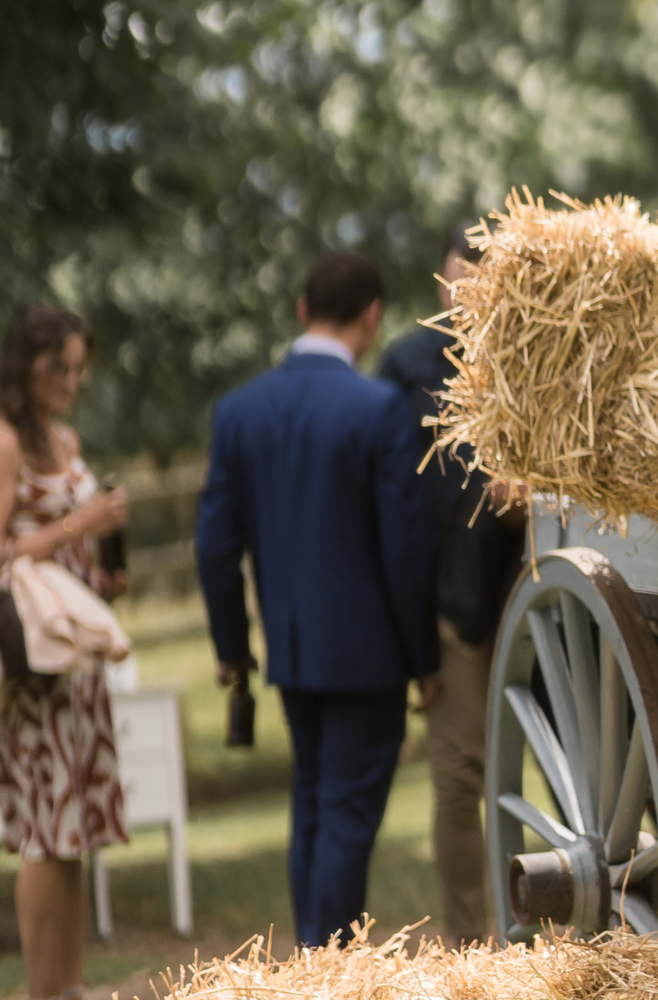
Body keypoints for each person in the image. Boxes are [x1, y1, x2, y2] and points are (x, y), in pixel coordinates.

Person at [195, 253, 438, 948]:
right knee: (344, 815)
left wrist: (232, 649)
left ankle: (310, 962)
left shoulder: (238, 412)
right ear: (372, 316)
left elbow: (214, 547)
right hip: (370, 657)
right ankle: (327, 967)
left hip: (292, 652)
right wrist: (425, 658)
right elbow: (405, 549)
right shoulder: (379, 407)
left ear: (302, 310)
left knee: (312, 807)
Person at [377, 225, 526, 944]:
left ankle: (542, 924)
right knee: (461, 774)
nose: (469, 283)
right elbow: (406, 493)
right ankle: (472, 941)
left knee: (521, 773)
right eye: (461, 269)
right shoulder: (406, 366)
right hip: (454, 592)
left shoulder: (532, 353)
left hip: (530, 585)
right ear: (442, 278)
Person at [0, 305, 131, 1000]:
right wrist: (82, 520)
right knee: (46, 828)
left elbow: (57, 550)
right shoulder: (2, 442)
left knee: (73, 825)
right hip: (32, 664)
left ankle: (69, 985)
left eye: (81, 368)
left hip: (75, 654)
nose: (73, 381)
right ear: (28, 364)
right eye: (61, 368)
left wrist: (98, 574)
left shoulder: (64, 438)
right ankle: (41, 989)